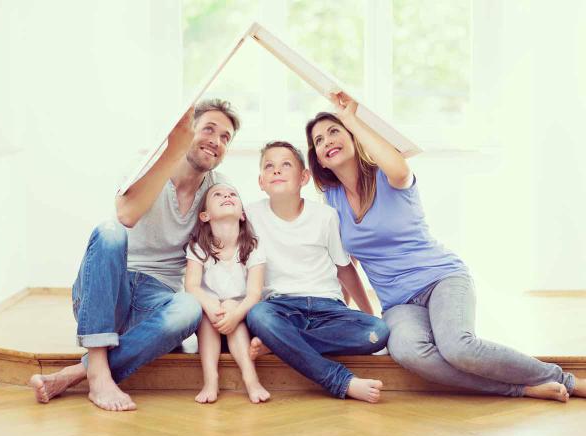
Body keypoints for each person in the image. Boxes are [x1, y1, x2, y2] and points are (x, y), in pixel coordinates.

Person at [305, 91, 586, 402]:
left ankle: (567, 381)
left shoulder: (388, 176)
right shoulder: (331, 203)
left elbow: (400, 169)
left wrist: (351, 119)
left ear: (354, 137)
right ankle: (521, 388)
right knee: (411, 353)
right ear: (317, 159)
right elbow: (346, 267)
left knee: (457, 347)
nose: (327, 141)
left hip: (441, 279)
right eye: (318, 140)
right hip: (399, 305)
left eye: (334, 132)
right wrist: (367, 316)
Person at [29, 99, 240, 411]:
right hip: (109, 291)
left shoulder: (218, 188)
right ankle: (98, 372)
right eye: (209, 129)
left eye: (225, 137)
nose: (216, 141)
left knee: (189, 308)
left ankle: (77, 372)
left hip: (156, 302)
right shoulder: (147, 162)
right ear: (188, 131)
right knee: (109, 231)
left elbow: (231, 245)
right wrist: (172, 150)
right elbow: (126, 215)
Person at [245, 141, 388, 403]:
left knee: (377, 331)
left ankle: (278, 343)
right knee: (258, 315)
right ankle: (341, 380)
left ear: (304, 177)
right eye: (269, 166)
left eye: (285, 164)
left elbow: (344, 269)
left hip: (328, 308)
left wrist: (368, 314)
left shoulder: (325, 216)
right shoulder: (249, 215)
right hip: (281, 308)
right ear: (261, 181)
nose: (276, 170)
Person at [184, 183, 270, 404]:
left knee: (232, 304)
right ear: (205, 215)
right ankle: (210, 380)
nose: (227, 196)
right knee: (206, 312)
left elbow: (253, 294)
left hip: (240, 318)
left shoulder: (252, 246)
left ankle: (250, 379)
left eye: (233, 194)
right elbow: (192, 286)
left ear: (242, 214)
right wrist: (212, 305)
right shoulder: (198, 246)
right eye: (218, 195)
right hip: (210, 320)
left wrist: (235, 314)